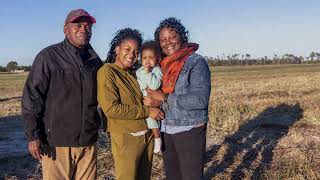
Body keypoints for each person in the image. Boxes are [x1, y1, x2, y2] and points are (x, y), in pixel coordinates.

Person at [21, 9, 103, 180]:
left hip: (88, 143)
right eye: (78, 24)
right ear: (66, 29)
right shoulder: (48, 57)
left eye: (88, 25)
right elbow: (32, 97)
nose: (84, 29)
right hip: (57, 145)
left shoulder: (95, 61)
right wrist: (33, 135)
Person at [145, 17, 211, 180]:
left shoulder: (195, 62)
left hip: (189, 129)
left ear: (182, 36)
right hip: (167, 129)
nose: (168, 42)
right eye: (163, 39)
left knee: (191, 176)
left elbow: (200, 100)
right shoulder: (160, 66)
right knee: (173, 176)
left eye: (172, 37)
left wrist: (166, 97)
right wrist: (154, 104)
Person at [97, 28, 164, 180]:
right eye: (127, 49)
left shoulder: (135, 73)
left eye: (135, 51)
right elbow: (112, 109)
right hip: (127, 139)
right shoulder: (107, 72)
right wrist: (148, 111)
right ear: (117, 49)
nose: (132, 54)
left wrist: (155, 101)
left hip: (147, 136)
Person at [136, 40, 163, 153]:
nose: (147, 61)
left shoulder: (157, 71)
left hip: (152, 99)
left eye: (151, 58)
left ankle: (157, 138)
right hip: (142, 99)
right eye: (144, 58)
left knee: (151, 119)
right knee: (140, 114)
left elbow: (154, 85)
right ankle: (141, 129)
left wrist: (148, 73)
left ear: (158, 59)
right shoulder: (139, 71)